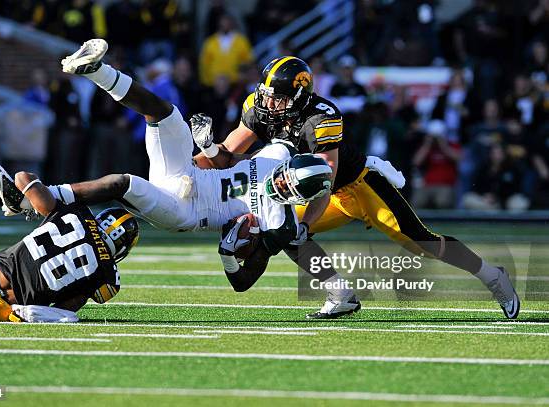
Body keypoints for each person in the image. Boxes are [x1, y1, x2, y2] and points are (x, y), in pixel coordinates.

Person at [0, 39, 360, 318]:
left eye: (287, 187)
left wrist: (230, 254)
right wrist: (208, 148)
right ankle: (98, 72)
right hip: (189, 175)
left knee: (124, 184)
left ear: (294, 191)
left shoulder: (276, 214)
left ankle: (41, 200)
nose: (280, 182)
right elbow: (227, 158)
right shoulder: (278, 151)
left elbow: (242, 283)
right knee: (167, 116)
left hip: (187, 211)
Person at [192, 55, 521, 319]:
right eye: (266, 94)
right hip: (316, 189)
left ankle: (493, 275)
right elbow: (228, 156)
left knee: (423, 243)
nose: (267, 103)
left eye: (276, 98)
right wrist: (204, 151)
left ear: (298, 97)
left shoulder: (321, 117)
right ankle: (341, 294)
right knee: (286, 232)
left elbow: (325, 178)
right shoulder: (259, 107)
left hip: (357, 186)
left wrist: (306, 224)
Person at [0, 164, 139, 322]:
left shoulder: (76, 213)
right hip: (5, 314)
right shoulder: (109, 278)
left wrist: (31, 203)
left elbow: (22, 177)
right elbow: (66, 307)